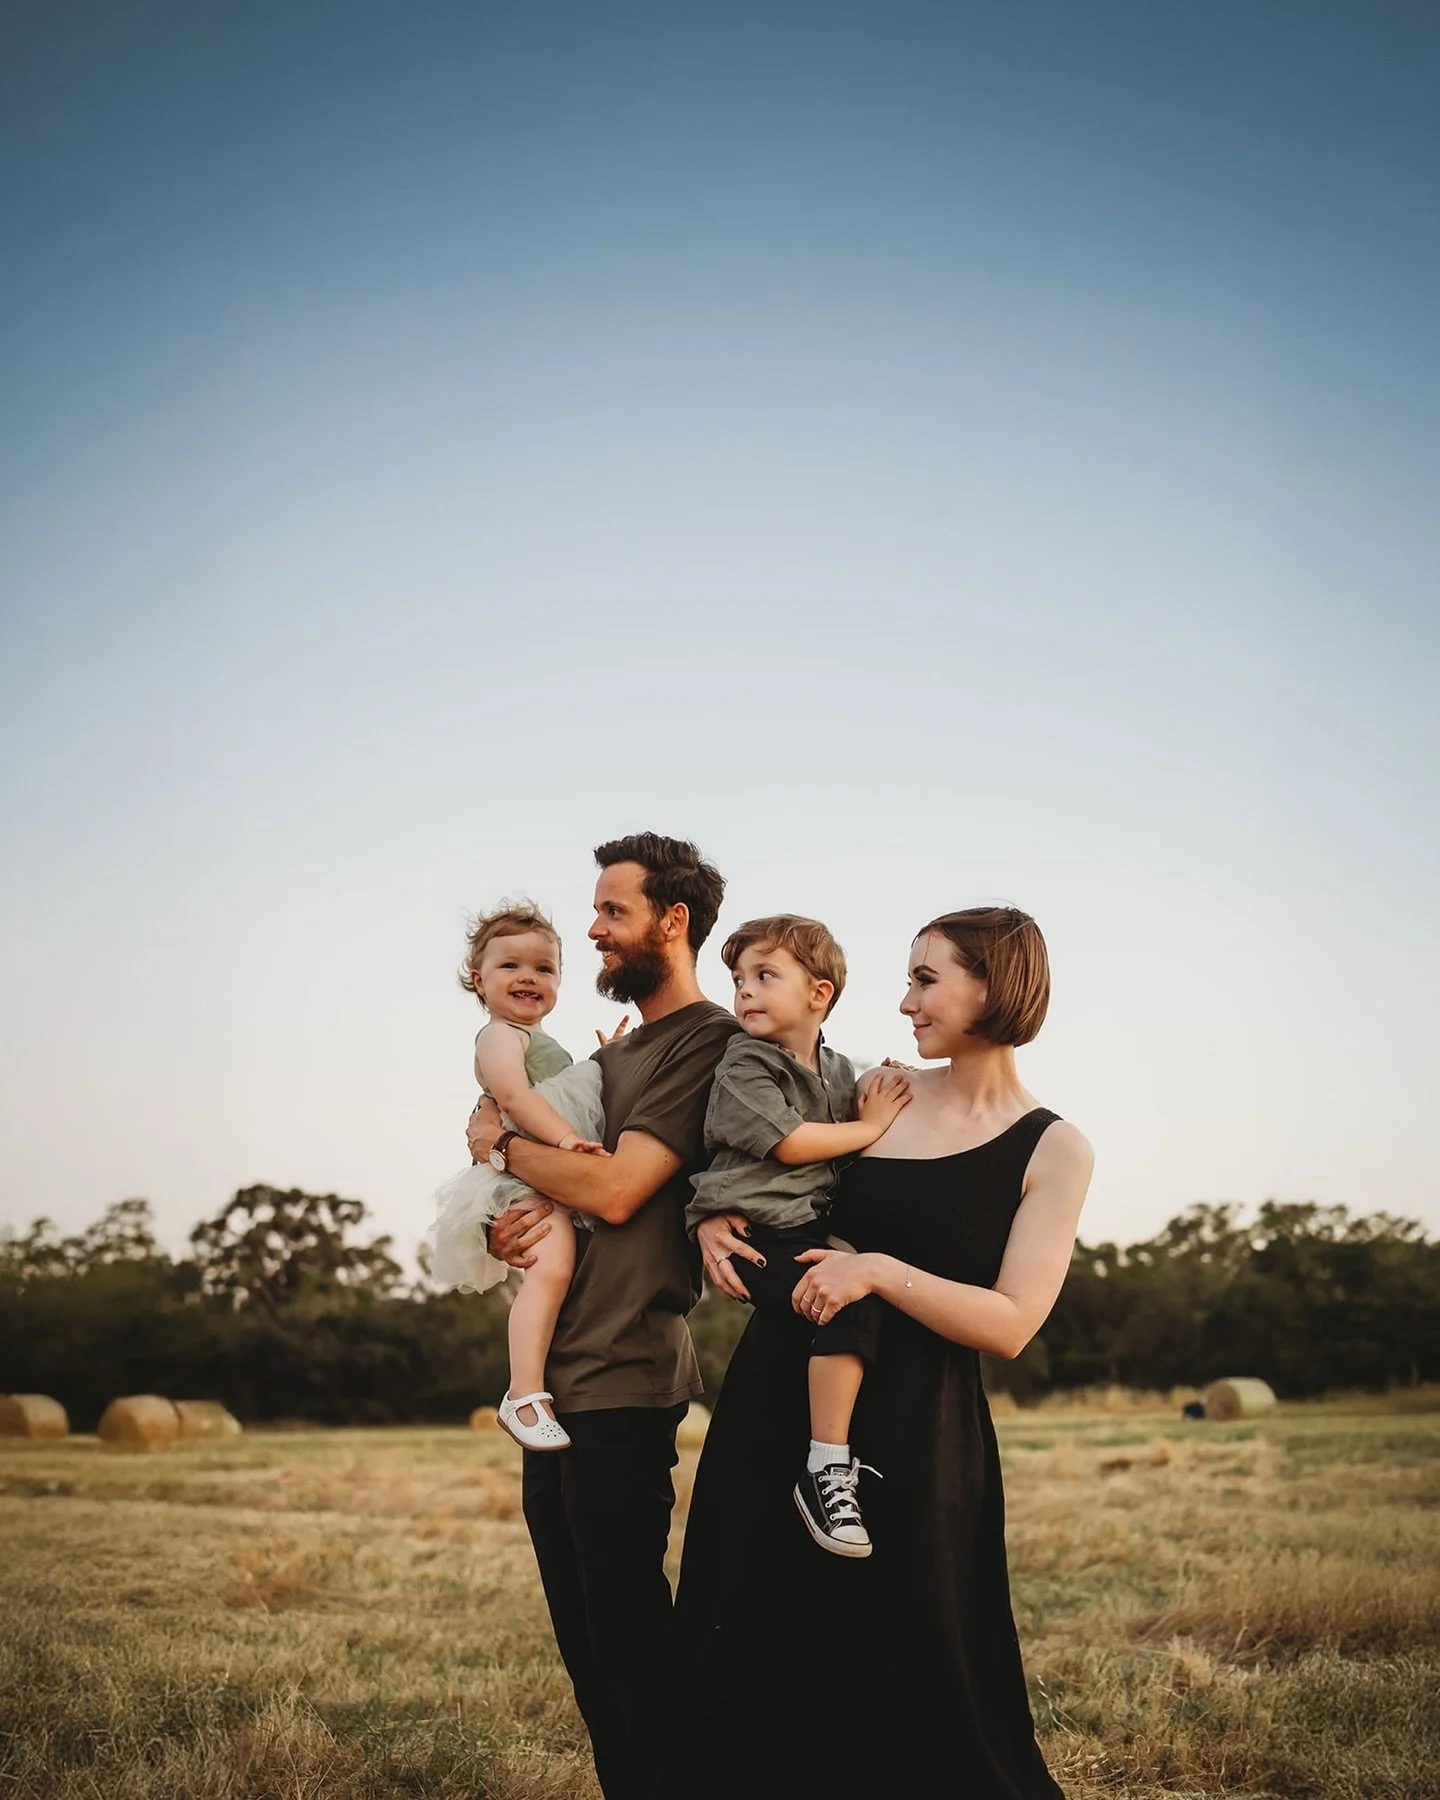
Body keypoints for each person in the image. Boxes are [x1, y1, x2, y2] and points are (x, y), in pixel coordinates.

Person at [678, 905, 1095, 1798]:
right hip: (781, 1400)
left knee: (918, 1672)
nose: (903, 1002)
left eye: (925, 979)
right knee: (755, 1653)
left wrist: (878, 1270)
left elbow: (1013, 1322)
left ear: (995, 986)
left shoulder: (1055, 1147)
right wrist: (714, 1212)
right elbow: (753, 1154)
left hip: (922, 1433)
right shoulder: (879, 1094)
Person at [465, 833, 741, 1800]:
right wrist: (512, 1218)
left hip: (624, 1373)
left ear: (674, 922)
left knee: (629, 1648)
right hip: (559, 1378)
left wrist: (501, 1145)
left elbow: (620, 1187)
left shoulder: (706, 1040)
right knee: (589, 1651)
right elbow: (569, 1180)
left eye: (612, 911)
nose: (591, 930)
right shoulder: (617, 1051)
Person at [685, 914, 912, 1557]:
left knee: (873, 1296)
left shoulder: (840, 1071)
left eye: (764, 976)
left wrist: (890, 1087)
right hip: (753, 1236)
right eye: (737, 980)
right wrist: (871, 1127)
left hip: (810, 1230)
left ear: (819, 995)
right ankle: (826, 1466)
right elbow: (790, 1144)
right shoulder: (745, 1063)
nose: (745, 993)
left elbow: (874, 1101)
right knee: (847, 1297)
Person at [429, 901, 618, 1452]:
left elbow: (565, 1092)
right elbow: (514, 1097)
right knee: (553, 1266)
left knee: (566, 1268)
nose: (528, 977)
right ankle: (523, 1393)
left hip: (543, 1171)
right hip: (525, 1177)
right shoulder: (498, 1037)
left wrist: (604, 1064)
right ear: (478, 980)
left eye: (544, 968)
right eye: (511, 966)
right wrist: (564, 1141)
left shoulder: (539, 1042)